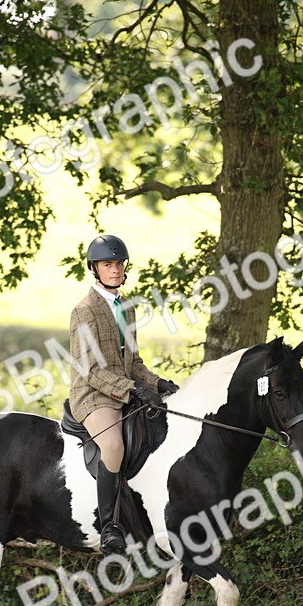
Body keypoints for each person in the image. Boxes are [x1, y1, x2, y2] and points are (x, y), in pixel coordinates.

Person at [68, 233, 180, 555]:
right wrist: (132, 390)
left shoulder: (126, 308)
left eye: (118, 264)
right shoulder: (84, 311)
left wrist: (158, 384)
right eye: (107, 264)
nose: (114, 270)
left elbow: (132, 362)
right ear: (94, 269)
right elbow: (90, 370)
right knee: (114, 445)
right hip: (93, 394)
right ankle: (109, 528)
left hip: (124, 389)